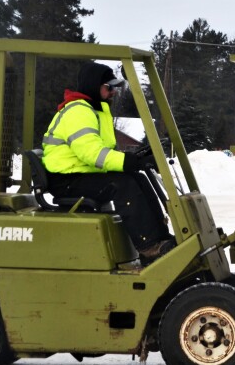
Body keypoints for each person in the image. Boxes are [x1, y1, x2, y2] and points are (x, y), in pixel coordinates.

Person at [42, 62, 175, 265]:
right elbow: (91, 153)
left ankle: (161, 238)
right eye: (108, 87)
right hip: (66, 179)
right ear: (94, 86)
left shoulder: (95, 110)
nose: (113, 91)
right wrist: (125, 161)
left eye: (114, 87)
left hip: (80, 173)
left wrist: (134, 159)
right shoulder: (79, 112)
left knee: (136, 177)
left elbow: (101, 151)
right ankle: (149, 247)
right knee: (123, 185)